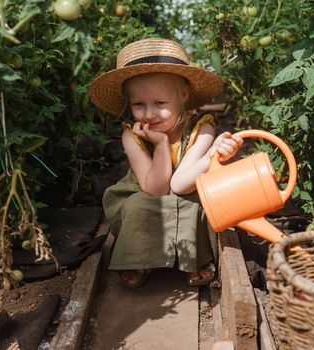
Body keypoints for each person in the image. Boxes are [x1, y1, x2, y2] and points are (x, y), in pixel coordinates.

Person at [88, 38, 243, 288]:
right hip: (149, 192)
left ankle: (195, 259)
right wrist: (160, 145)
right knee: (138, 205)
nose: (149, 114)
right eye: (139, 105)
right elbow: (155, 189)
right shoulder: (132, 135)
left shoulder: (200, 129)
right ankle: (141, 260)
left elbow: (181, 184)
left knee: (196, 205)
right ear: (129, 104)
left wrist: (211, 153)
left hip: (187, 192)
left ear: (183, 95)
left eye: (160, 103)